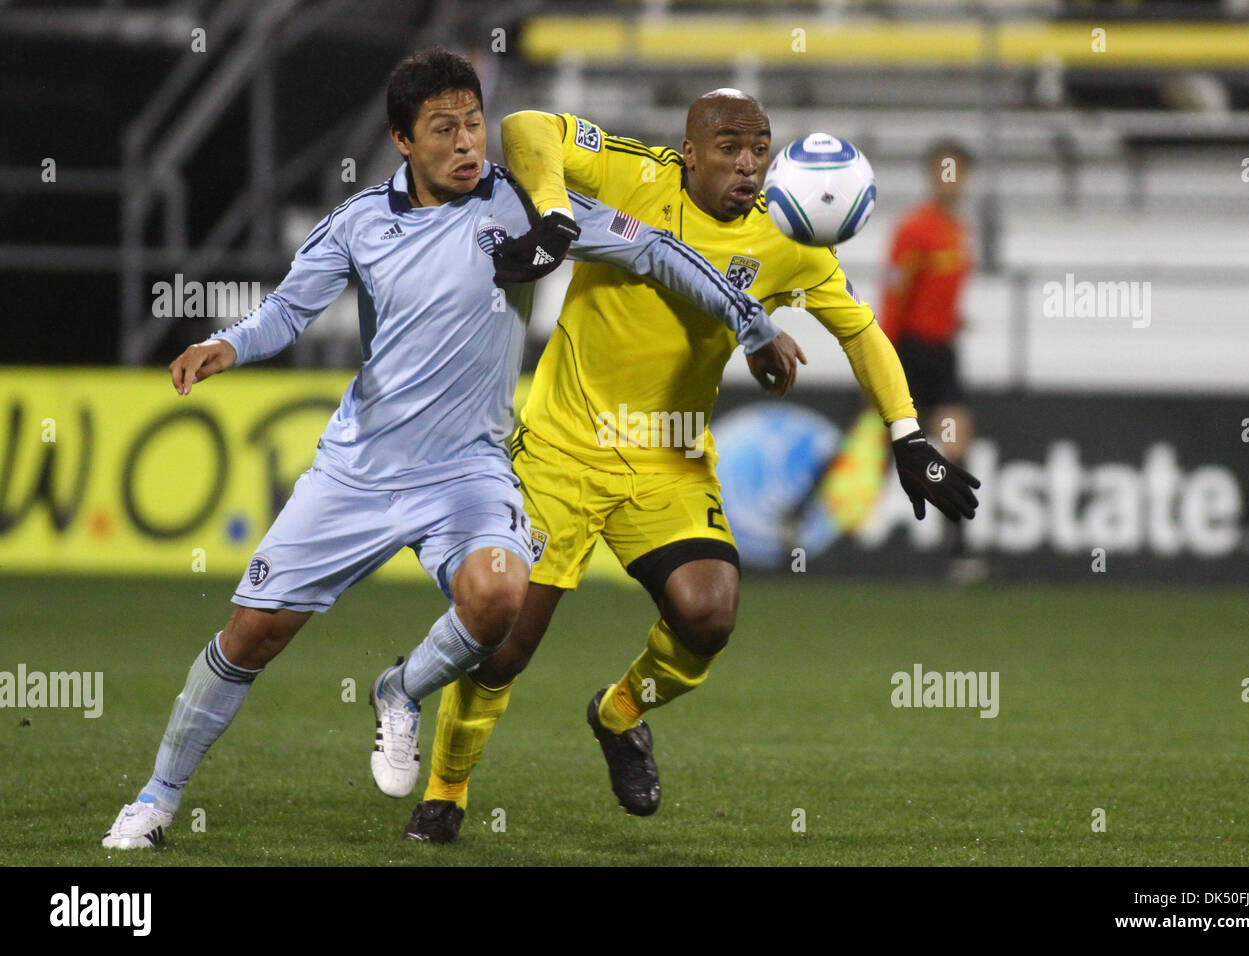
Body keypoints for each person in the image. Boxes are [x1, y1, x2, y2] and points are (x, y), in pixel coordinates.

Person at [101, 50, 800, 850]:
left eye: (473, 123)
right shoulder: (361, 222)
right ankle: (155, 802)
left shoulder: (528, 208)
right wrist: (227, 345)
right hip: (357, 471)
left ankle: (400, 689)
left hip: (469, 470)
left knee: (501, 598)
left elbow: (656, 250)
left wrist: (754, 321)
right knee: (250, 637)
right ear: (402, 140)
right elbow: (286, 314)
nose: (468, 143)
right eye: (444, 129)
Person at [401, 90, 981, 843]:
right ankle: (447, 790)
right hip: (561, 450)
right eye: (730, 147)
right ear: (689, 152)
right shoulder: (635, 176)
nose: (747, 164)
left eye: (759, 149)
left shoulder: (789, 240)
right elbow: (524, 128)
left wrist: (907, 437)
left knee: (709, 613)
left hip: (669, 459)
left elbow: (862, 334)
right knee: (505, 644)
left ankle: (619, 713)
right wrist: (553, 213)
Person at [879, 140, 983, 582]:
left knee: (956, 443)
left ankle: (956, 549)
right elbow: (895, 294)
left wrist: (954, 319)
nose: (951, 179)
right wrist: (881, 361)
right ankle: (799, 517)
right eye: (944, 170)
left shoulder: (959, 230)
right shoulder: (914, 229)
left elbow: (936, 293)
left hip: (942, 353)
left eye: (957, 171)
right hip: (909, 352)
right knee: (873, 442)